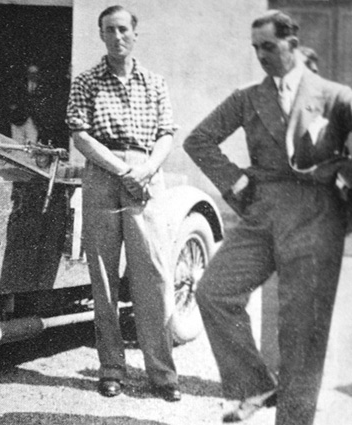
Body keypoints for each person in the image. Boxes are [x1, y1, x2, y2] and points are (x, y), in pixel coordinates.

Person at [183, 10, 352, 424]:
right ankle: (254, 385)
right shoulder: (248, 97)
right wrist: (237, 186)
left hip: (315, 216)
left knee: (301, 333)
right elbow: (198, 140)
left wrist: (345, 201)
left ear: (292, 46)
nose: (260, 55)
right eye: (255, 48)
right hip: (262, 214)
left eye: (269, 46)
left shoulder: (335, 96)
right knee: (214, 291)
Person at [66, 5, 181, 402]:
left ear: (135, 34)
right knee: (103, 277)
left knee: (153, 275)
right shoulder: (86, 82)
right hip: (103, 173)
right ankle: (111, 368)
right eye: (109, 30)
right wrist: (121, 170)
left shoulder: (154, 83)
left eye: (123, 30)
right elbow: (81, 136)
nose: (117, 37)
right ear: (101, 35)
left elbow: (167, 133)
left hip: (146, 173)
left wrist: (145, 169)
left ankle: (163, 374)